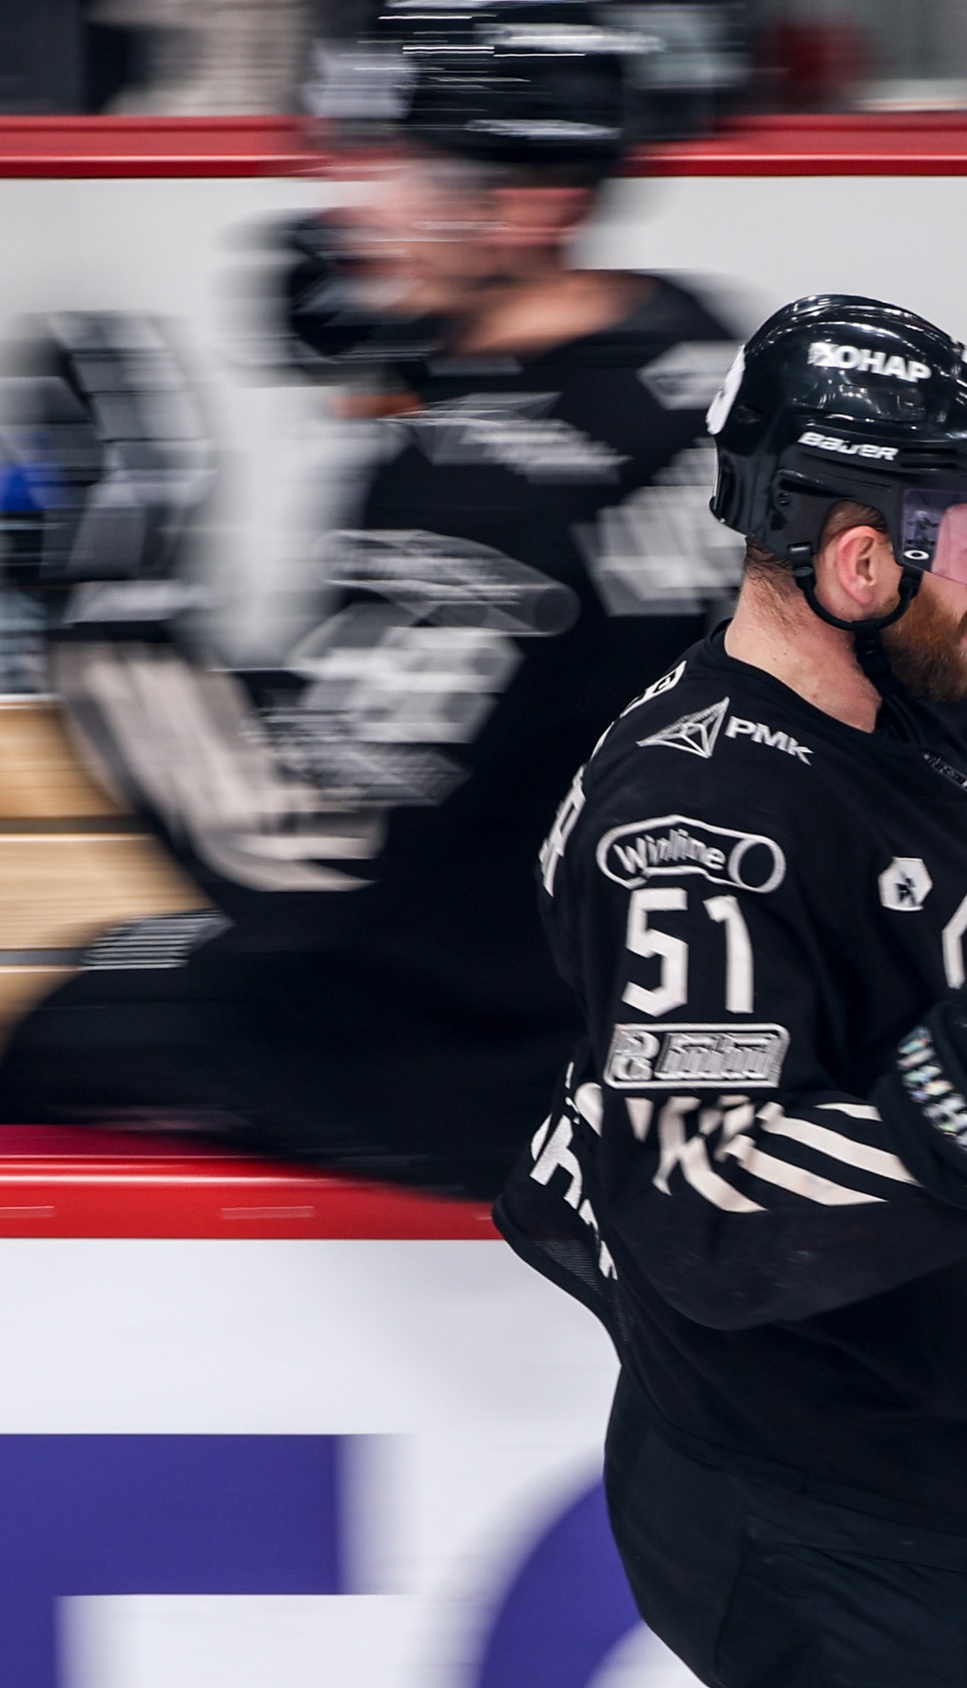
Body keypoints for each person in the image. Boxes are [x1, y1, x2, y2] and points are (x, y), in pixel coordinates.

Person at [496, 294, 967, 1688]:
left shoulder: (960, 710)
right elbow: (701, 1205)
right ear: (859, 560)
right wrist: (957, 1122)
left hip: (949, 1452)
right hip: (814, 1501)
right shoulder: (694, 820)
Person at [0, 0, 741, 1195]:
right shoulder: (699, 353)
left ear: (538, 201)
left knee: (58, 1017)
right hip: (675, 991)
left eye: (401, 169)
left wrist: (107, 607)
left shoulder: (485, 494)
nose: (355, 203)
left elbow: (298, 856)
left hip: (488, 1061)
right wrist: (419, 379)